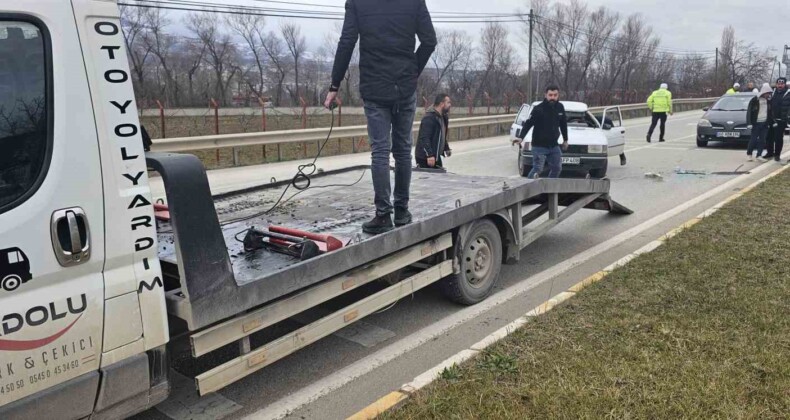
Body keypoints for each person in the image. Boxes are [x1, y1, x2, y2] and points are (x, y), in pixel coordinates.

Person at [324, 0, 436, 234]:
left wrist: (335, 85)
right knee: (403, 149)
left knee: (380, 151)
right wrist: (411, 70)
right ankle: (402, 211)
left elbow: (346, 42)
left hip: (374, 86)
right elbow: (429, 41)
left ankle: (383, 215)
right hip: (404, 87)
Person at [517, 85, 569, 179]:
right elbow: (528, 123)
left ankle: (549, 188)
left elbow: (563, 124)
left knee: (557, 168)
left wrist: (565, 140)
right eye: (550, 95)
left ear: (558, 95)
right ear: (546, 95)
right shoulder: (538, 109)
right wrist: (521, 137)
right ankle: (528, 188)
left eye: (555, 95)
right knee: (538, 169)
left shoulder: (560, 107)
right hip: (539, 145)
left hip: (553, 145)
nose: (552, 97)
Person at [416, 94, 452, 169]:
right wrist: (429, 155)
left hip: (435, 155)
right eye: (448, 102)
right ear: (442, 104)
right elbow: (424, 138)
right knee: (429, 179)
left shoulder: (443, 117)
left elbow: (441, 135)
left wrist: (446, 147)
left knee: (440, 176)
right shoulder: (429, 118)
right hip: (425, 157)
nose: (450, 105)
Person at [765, 77, 790, 162]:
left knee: (778, 138)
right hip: (771, 119)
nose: (780, 85)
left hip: (781, 120)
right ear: (776, 84)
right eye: (778, 84)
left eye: (782, 84)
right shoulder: (772, 92)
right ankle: (770, 152)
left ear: (784, 84)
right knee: (769, 137)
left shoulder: (788, 93)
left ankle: (777, 154)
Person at [746, 83, 773, 162]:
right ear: (764, 92)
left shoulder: (768, 101)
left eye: (769, 93)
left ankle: (759, 155)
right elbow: (749, 112)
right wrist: (749, 123)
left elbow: (770, 112)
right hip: (756, 123)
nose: (769, 95)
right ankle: (749, 154)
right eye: (768, 93)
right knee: (753, 139)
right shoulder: (755, 100)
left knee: (762, 140)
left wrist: (772, 122)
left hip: (765, 123)